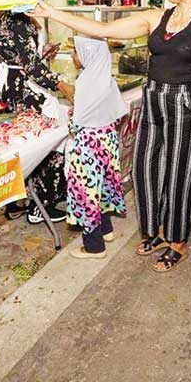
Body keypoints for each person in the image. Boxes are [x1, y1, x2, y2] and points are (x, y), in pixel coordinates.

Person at [32, 0, 191, 272]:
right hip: (153, 97)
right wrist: (52, 12)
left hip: (184, 102)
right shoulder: (157, 18)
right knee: (144, 170)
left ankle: (177, 242)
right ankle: (154, 231)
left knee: (178, 176)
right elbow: (102, 28)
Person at [0, 11, 75, 222]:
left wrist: (42, 53)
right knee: (45, 143)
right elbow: (31, 66)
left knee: (20, 144)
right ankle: (41, 205)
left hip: (8, 87)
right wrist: (62, 85)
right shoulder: (18, 20)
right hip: (25, 89)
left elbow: (13, 57)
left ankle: (17, 202)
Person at [66, 37, 129, 259]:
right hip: (107, 141)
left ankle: (94, 247)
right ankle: (107, 230)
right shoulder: (105, 77)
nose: (73, 56)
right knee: (102, 186)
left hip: (88, 145)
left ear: (87, 54)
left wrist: (71, 117)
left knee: (86, 193)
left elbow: (77, 122)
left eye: (75, 52)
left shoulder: (85, 81)